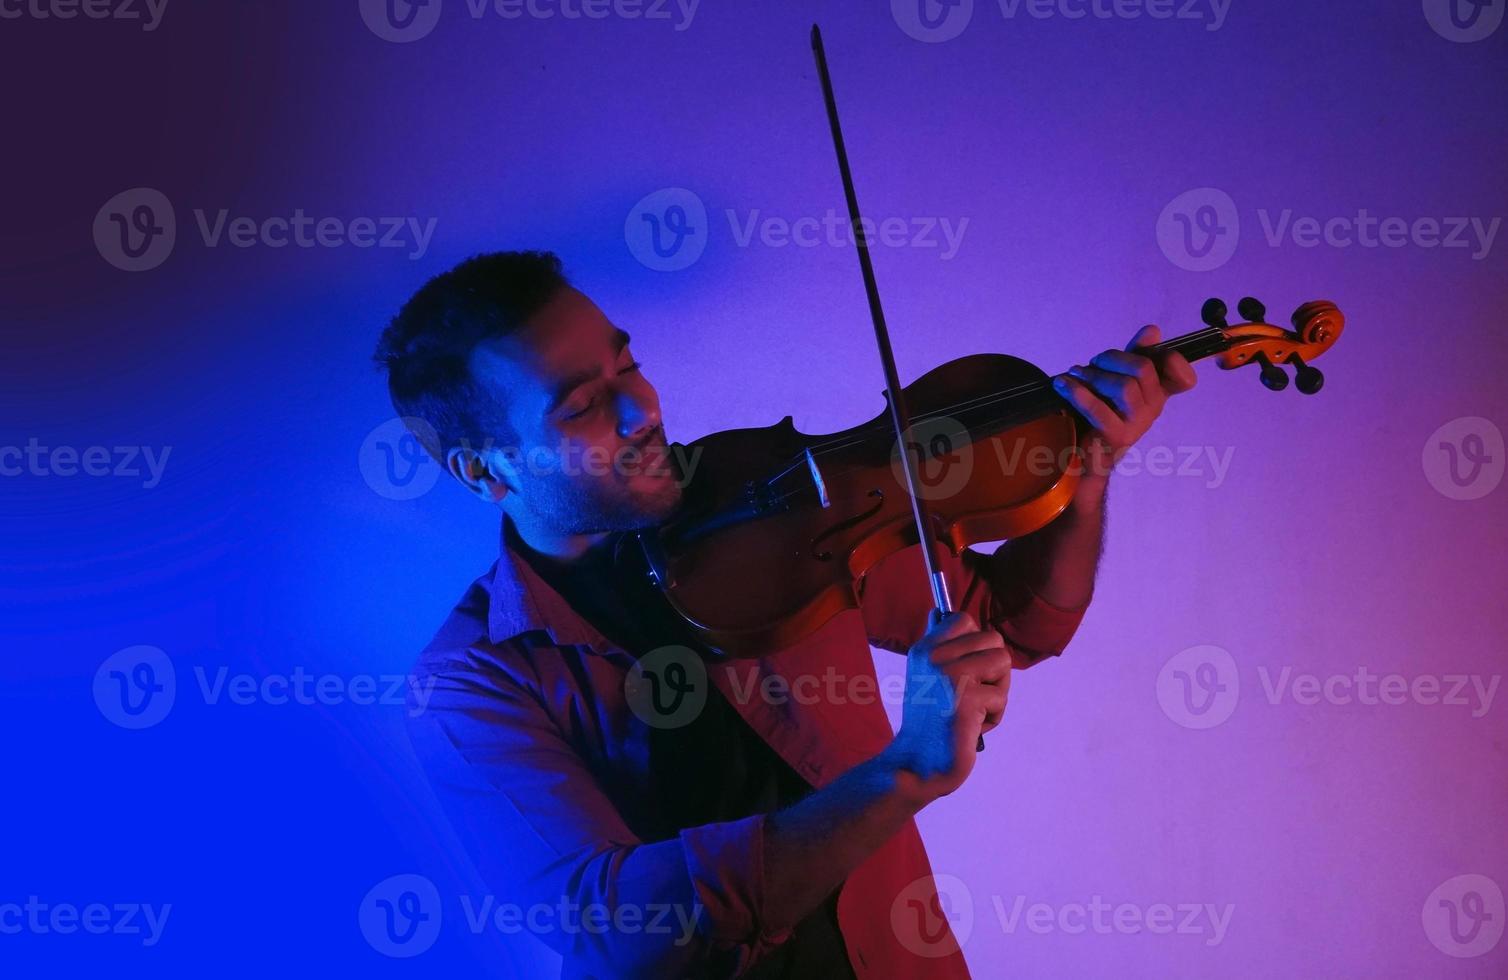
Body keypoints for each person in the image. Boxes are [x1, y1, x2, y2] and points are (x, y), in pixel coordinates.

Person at [373, 250, 1196, 978]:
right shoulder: (471, 684)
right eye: (583, 406)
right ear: (486, 471)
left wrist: (1085, 472)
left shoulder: (774, 499)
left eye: (628, 365)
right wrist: (901, 773)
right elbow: (622, 930)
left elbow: (1019, 623)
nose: (642, 410)